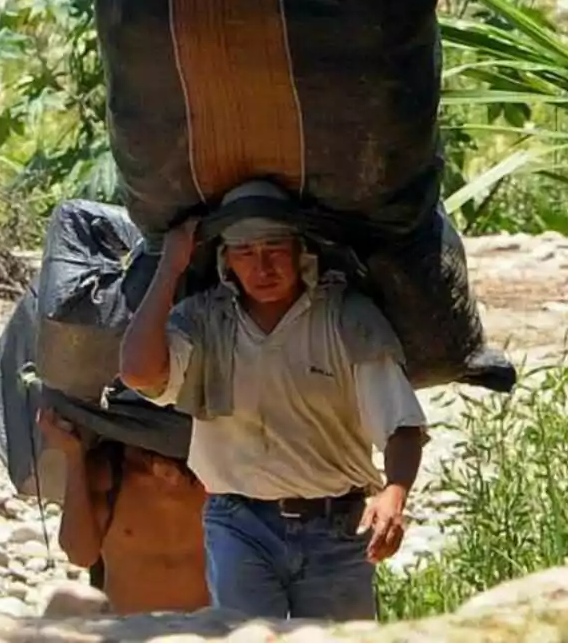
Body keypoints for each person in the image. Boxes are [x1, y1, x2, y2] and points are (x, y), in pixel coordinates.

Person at [119, 179, 428, 622]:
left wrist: (395, 492)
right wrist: (170, 268)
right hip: (238, 523)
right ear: (226, 260)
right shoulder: (205, 321)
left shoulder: (345, 318)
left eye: (273, 249)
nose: (262, 266)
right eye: (245, 253)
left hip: (336, 529)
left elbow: (401, 424)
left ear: (301, 251)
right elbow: (137, 371)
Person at [37, 407, 209, 614]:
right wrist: (73, 456)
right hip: (131, 632)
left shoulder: (216, 477)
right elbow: (80, 554)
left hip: (210, 633)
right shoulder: (108, 475)